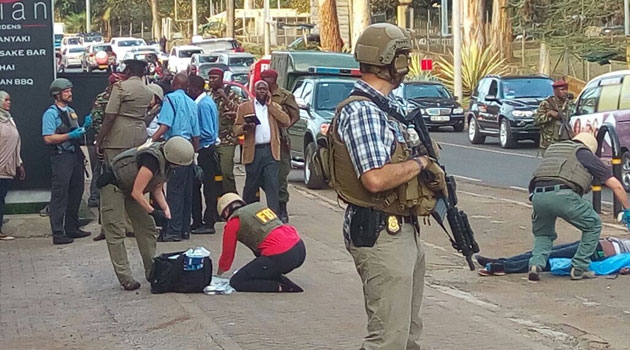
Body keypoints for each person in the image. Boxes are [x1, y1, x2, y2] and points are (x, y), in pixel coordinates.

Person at [329, 23, 442, 349]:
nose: (406, 65)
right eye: (403, 57)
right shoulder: (364, 111)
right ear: (387, 60)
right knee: (388, 338)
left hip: (401, 230)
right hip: (380, 232)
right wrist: (421, 163)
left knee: (407, 334)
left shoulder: (390, 108)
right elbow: (375, 178)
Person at [528, 132, 630, 281]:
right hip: (563, 195)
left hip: (538, 195)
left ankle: (535, 265)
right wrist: (627, 210)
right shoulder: (585, 154)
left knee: (543, 234)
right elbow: (617, 186)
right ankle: (579, 268)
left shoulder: (554, 149)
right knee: (593, 225)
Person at [99, 137, 195, 290]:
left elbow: (157, 188)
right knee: (116, 231)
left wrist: (166, 211)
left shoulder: (167, 163)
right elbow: (137, 192)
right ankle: (125, 277)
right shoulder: (151, 160)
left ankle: (152, 271)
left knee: (147, 227)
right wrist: (153, 212)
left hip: (130, 188)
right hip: (113, 185)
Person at [96, 60, 154, 244]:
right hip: (139, 136)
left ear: (128, 70)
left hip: (118, 136)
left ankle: (111, 225)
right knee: (135, 181)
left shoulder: (120, 88)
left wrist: (100, 138)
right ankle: (132, 224)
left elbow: (110, 115)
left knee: (111, 181)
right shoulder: (147, 91)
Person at [215, 193, 305, 292]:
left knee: (237, 282)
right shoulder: (258, 207)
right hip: (299, 247)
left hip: (282, 255)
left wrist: (218, 274)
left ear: (226, 211)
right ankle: (285, 282)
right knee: (261, 268)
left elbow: (227, 256)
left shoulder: (234, 222)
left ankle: (280, 287)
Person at [42, 78, 92, 245]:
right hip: (61, 157)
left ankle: (72, 227)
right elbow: (48, 138)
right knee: (60, 195)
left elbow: (76, 131)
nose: (70, 93)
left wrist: (84, 128)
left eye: (70, 90)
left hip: (74, 156)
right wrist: (70, 136)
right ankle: (58, 232)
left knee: (76, 191)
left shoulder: (71, 111)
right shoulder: (51, 114)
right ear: (57, 94)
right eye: (66, 91)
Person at [152, 73, 200, 241]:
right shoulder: (192, 103)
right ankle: (184, 230)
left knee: (174, 191)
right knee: (187, 190)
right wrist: (194, 152)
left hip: (174, 146)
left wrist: (151, 140)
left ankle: (173, 230)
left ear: (173, 84)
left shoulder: (169, 99)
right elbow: (196, 133)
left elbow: (166, 125)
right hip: (188, 146)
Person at [234, 80, 290, 215]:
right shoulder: (245, 107)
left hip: (270, 151)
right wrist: (245, 127)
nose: (262, 92)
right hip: (253, 151)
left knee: (272, 185)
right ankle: (246, 215)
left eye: (264, 89)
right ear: (254, 91)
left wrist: (271, 106)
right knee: (251, 186)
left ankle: (274, 216)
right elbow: (236, 129)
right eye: (259, 89)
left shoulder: (274, 107)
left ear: (268, 92)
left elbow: (286, 121)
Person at [260, 69, 300, 223]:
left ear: (274, 79)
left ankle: (282, 209)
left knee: (281, 176)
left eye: (267, 78)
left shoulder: (284, 96)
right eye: (262, 78)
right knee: (262, 176)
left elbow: (295, 115)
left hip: (280, 141)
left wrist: (284, 127)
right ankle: (273, 204)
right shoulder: (259, 94)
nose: (264, 81)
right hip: (263, 140)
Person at [476, 236, 630, 276]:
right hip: (595, 244)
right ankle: (500, 261)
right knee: (542, 253)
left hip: (597, 252)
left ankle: (501, 267)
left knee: (546, 259)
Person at [87, 72, 126, 209]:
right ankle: (94, 197)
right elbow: (96, 120)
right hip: (104, 139)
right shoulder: (102, 99)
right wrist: (101, 138)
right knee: (99, 169)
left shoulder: (123, 98)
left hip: (119, 139)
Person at [187, 75, 220, 234]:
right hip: (204, 148)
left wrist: (194, 139)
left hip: (204, 150)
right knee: (201, 186)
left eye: (189, 88)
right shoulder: (203, 102)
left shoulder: (203, 105)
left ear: (195, 89)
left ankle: (208, 222)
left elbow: (208, 131)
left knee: (206, 187)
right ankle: (199, 220)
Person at [208, 68, 240, 194]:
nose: (211, 81)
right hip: (211, 139)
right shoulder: (208, 95)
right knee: (214, 174)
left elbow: (239, 110)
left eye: (214, 78)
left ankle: (231, 198)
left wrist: (225, 97)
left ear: (221, 79)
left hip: (227, 140)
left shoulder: (231, 94)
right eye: (210, 78)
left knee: (226, 172)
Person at [0, 91, 25, 241]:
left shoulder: (10, 120)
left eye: (10, 100)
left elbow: (17, 142)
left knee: (1, 197)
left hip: (7, 168)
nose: (9, 103)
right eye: (6, 100)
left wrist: (19, 163)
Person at [535, 80, 575, 155]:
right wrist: (549, 114)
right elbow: (536, 121)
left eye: (566, 89)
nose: (565, 92)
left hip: (566, 141)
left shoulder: (570, 104)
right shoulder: (547, 104)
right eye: (562, 90)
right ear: (555, 91)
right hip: (550, 142)